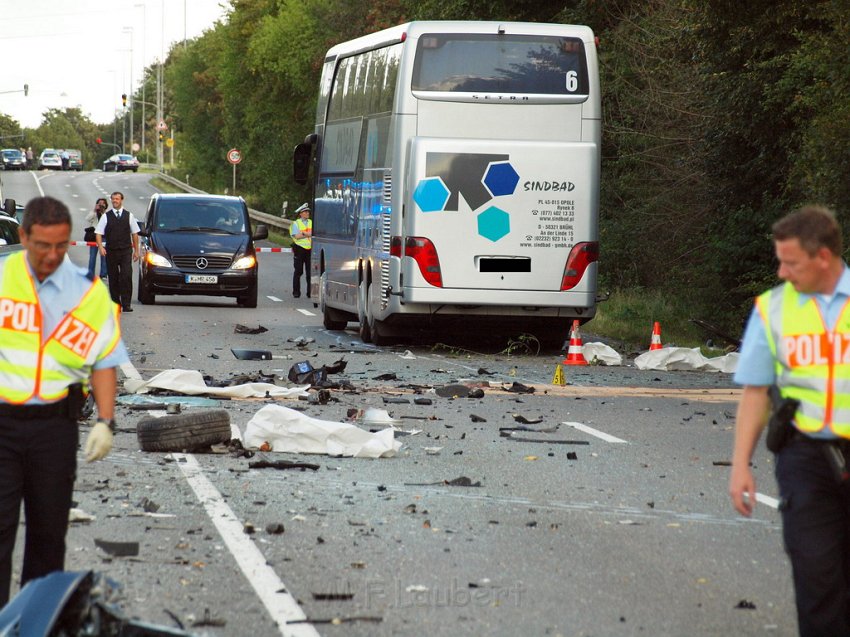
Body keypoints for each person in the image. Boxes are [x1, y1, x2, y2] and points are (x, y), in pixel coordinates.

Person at [0, 196, 128, 606]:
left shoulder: (88, 294)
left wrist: (105, 422)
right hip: (2, 425)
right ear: (23, 237)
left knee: (48, 536)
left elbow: (103, 363)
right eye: (42, 245)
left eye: (61, 245)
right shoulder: (2, 281)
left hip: (55, 428)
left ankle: (34, 623)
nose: (52, 255)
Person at [729, 205, 850, 637]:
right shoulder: (772, 309)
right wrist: (740, 464)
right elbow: (756, 391)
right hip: (806, 456)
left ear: (824, 258)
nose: (782, 272)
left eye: (791, 262)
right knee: (817, 574)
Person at [95, 191, 140, 312]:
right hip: (111, 251)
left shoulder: (129, 216)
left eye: (117, 199)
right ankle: (116, 303)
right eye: (113, 199)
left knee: (126, 276)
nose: (115, 201)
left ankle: (126, 303)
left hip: (125, 251)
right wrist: (100, 247)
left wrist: (136, 251)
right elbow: (98, 233)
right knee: (113, 277)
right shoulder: (106, 216)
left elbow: (135, 234)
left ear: (121, 200)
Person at [290, 202, 312, 298]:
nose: (307, 213)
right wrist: (308, 233)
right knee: (298, 271)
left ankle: (309, 292)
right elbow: (296, 236)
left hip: (310, 249)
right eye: (305, 211)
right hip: (299, 249)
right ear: (301, 213)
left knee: (310, 273)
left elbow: (314, 233)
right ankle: (296, 292)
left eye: (308, 212)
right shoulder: (295, 224)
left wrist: (303, 233)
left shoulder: (312, 222)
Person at [85, 198, 108, 279]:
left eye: (103, 204)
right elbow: (87, 218)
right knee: (92, 257)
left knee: (104, 256)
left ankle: (103, 274)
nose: (101, 205)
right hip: (94, 237)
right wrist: (95, 210)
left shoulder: (106, 214)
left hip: (104, 237)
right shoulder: (94, 214)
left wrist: (103, 212)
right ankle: (90, 273)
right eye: (99, 203)